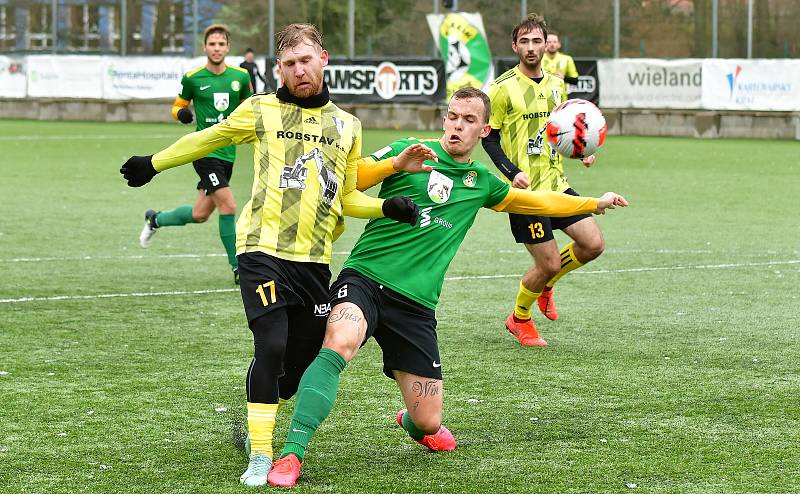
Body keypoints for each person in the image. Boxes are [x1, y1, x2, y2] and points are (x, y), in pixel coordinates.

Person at [120, 23, 433, 488]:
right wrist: (155, 162)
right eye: (288, 64)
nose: (298, 70)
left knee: (299, 364)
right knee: (269, 344)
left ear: (323, 58)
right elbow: (208, 138)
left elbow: (344, 197)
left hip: (313, 261)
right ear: (279, 69)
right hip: (261, 249)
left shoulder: (348, 126)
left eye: (305, 60)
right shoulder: (261, 109)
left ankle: (258, 422)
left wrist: (386, 206)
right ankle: (262, 456)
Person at [265, 87, 628, 488]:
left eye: (469, 120)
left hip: (416, 304)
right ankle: (291, 454)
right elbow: (352, 177)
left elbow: (538, 202)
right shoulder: (410, 150)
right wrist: (394, 166)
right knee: (340, 341)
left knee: (428, 421)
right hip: (365, 279)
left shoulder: (483, 183)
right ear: (444, 119)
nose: (458, 125)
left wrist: (593, 203)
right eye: (453, 116)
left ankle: (413, 423)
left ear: (484, 129)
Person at [482, 13, 604, 347]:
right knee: (547, 262)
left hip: (556, 183)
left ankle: (547, 284)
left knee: (593, 244)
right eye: (525, 41)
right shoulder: (502, 89)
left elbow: (561, 130)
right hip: (526, 194)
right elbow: (488, 138)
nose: (531, 47)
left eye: (537, 40)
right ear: (514, 45)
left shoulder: (555, 84)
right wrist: (512, 172)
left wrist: (581, 151)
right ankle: (519, 318)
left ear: (546, 44)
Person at [138, 24, 253, 285]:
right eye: (212, 44)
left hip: (228, 154)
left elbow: (249, 106)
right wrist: (181, 113)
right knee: (229, 205)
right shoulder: (193, 78)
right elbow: (178, 105)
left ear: (227, 47)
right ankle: (238, 269)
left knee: (201, 214)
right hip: (203, 152)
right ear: (205, 47)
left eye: (221, 44)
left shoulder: (241, 77)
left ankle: (155, 219)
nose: (216, 48)